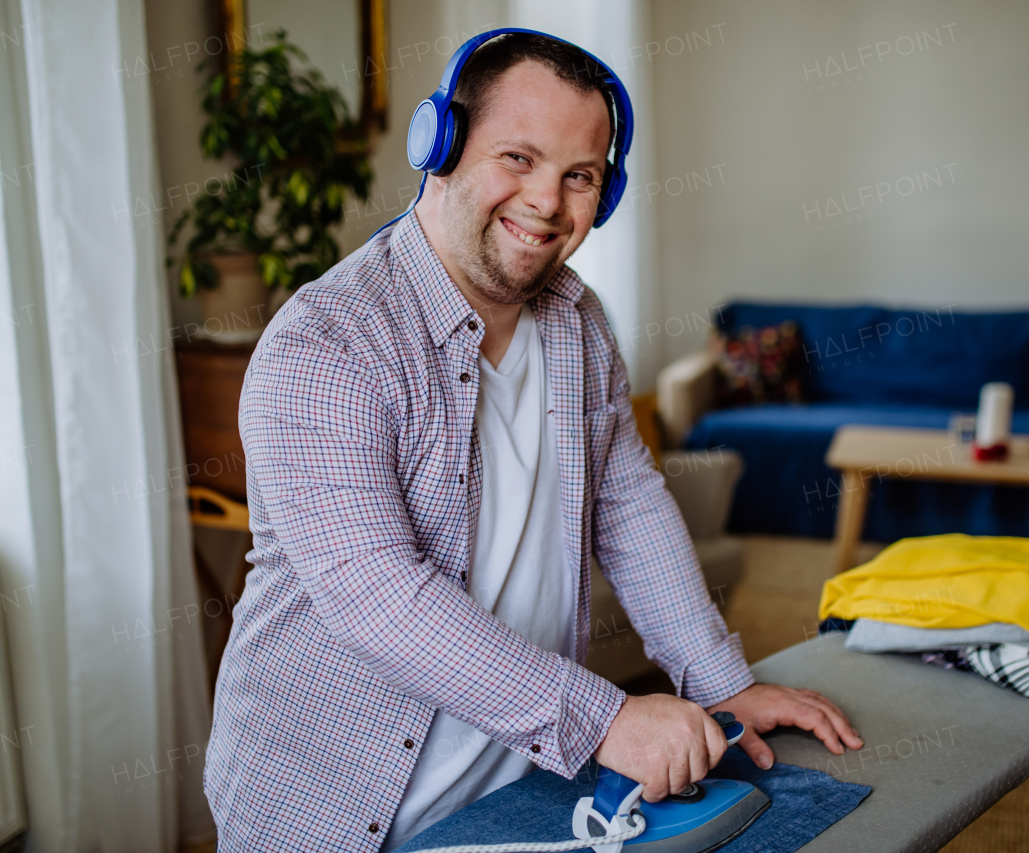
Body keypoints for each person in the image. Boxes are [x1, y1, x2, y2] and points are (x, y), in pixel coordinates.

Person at [204, 31, 861, 853]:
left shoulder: (579, 323)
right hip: (328, 811)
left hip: (518, 794)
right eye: (518, 156)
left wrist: (724, 683)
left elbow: (625, 506)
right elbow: (377, 595)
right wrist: (608, 719)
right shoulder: (328, 343)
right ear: (438, 145)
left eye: (579, 176)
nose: (547, 201)